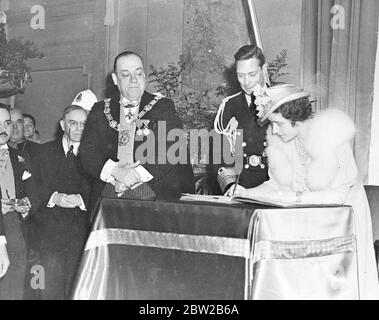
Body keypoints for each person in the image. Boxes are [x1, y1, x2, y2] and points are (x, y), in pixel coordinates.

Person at [230, 84, 379, 299]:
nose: (274, 131)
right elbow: (275, 185)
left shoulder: (331, 139)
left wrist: (295, 198)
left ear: (297, 120)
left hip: (344, 218)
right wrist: (246, 192)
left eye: (278, 124)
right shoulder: (283, 141)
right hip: (310, 215)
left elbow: (337, 196)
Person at [79, 51, 194, 206]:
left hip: (153, 196)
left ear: (144, 76)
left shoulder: (163, 106)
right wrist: (116, 172)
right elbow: (87, 152)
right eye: (125, 75)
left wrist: (133, 176)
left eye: (138, 73)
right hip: (107, 198)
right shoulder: (100, 109)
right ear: (115, 79)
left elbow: (172, 149)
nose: (133, 80)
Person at [35, 102, 92, 299]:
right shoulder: (43, 152)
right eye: (73, 123)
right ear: (62, 125)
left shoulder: (96, 155)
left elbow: (101, 189)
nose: (78, 128)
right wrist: (54, 197)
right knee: (49, 288)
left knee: (77, 287)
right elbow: (35, 186)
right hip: (49, 233)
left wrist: (82, 199)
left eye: (84, 124)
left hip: (82, 232)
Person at [213, 45, 269, 194]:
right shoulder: (229, 106)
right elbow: (220, 156)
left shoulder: (280, 101)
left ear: (264, 69)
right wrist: (231, 186)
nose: (246, 82)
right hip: (241, 186)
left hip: (274, 187)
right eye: (240, 75)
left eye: (252, 74)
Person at [0, 104, 40, 300]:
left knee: (14, 279)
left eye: (7, 123)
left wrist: (25, 205)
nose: (3, 129)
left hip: (13, 224)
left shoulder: (20, 157)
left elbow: (32, 194)